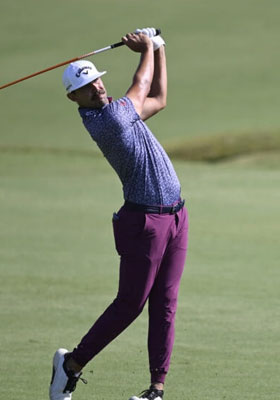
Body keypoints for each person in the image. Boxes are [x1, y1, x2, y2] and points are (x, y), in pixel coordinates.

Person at [49, 28, 188, 400]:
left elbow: (158, 97)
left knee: (165, 305)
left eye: (96, 80)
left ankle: (156, 389)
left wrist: (159, 49)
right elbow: (141, 83)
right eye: (87, 86)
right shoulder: (109, 121)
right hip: (144, 222)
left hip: (175, 218)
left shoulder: (119, 112)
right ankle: (70, 365)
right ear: (73, 97)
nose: (96, 87)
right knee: (130, 304)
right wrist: (145, 49)